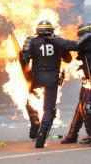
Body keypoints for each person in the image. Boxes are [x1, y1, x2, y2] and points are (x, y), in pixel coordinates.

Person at [22, 20, 77, 148]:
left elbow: (24, 58)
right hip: (52, 77)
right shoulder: (57, 42)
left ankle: (35, 119)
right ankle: (43, 131)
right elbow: (68, 59)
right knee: (48, 108)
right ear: (51, 31)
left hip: (37, 77)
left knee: (29, 102)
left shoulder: (33, 41)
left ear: (38, 31)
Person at [61, 22, 91, 145]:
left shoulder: (88, 40)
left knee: (87, 107)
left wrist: (56, 40)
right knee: (81, 106)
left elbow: (72, 46)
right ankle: (72, 135)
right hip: (88, 80)